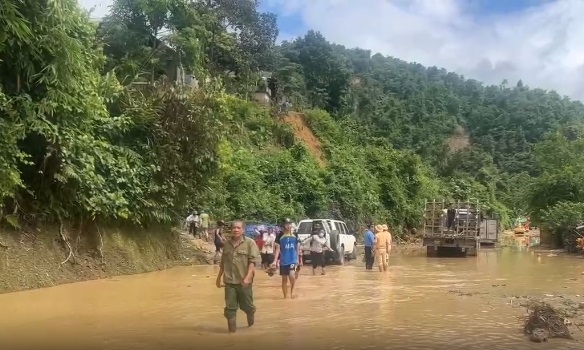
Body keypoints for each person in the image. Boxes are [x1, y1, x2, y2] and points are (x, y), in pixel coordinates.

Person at [215, 220, 261, 333]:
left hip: (244, 281)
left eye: (238, 228)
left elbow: (252, 262)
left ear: (243, 230)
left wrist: (248, 277)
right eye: (234, 228)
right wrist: (219, 277)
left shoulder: (250, 243)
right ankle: (232, 334)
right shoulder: (226, 244)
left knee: (247, 306)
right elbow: (223, 262)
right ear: (231, 229)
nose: (236, 230)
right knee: (230, 309)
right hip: (229, 281)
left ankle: (251, 318)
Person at [273, 218, 302, 299]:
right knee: (284, 279)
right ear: (284, 225)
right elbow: (277, 249)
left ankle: (292, 293)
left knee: (292, 276)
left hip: (293, 260)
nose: (288, 226)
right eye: (287, 224)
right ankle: (285, 297)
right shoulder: (280, 235)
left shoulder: (295, 234)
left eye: (290, 224)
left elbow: (297, 248)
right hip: (283, 260)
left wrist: (298, 260)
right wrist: (275, 261)